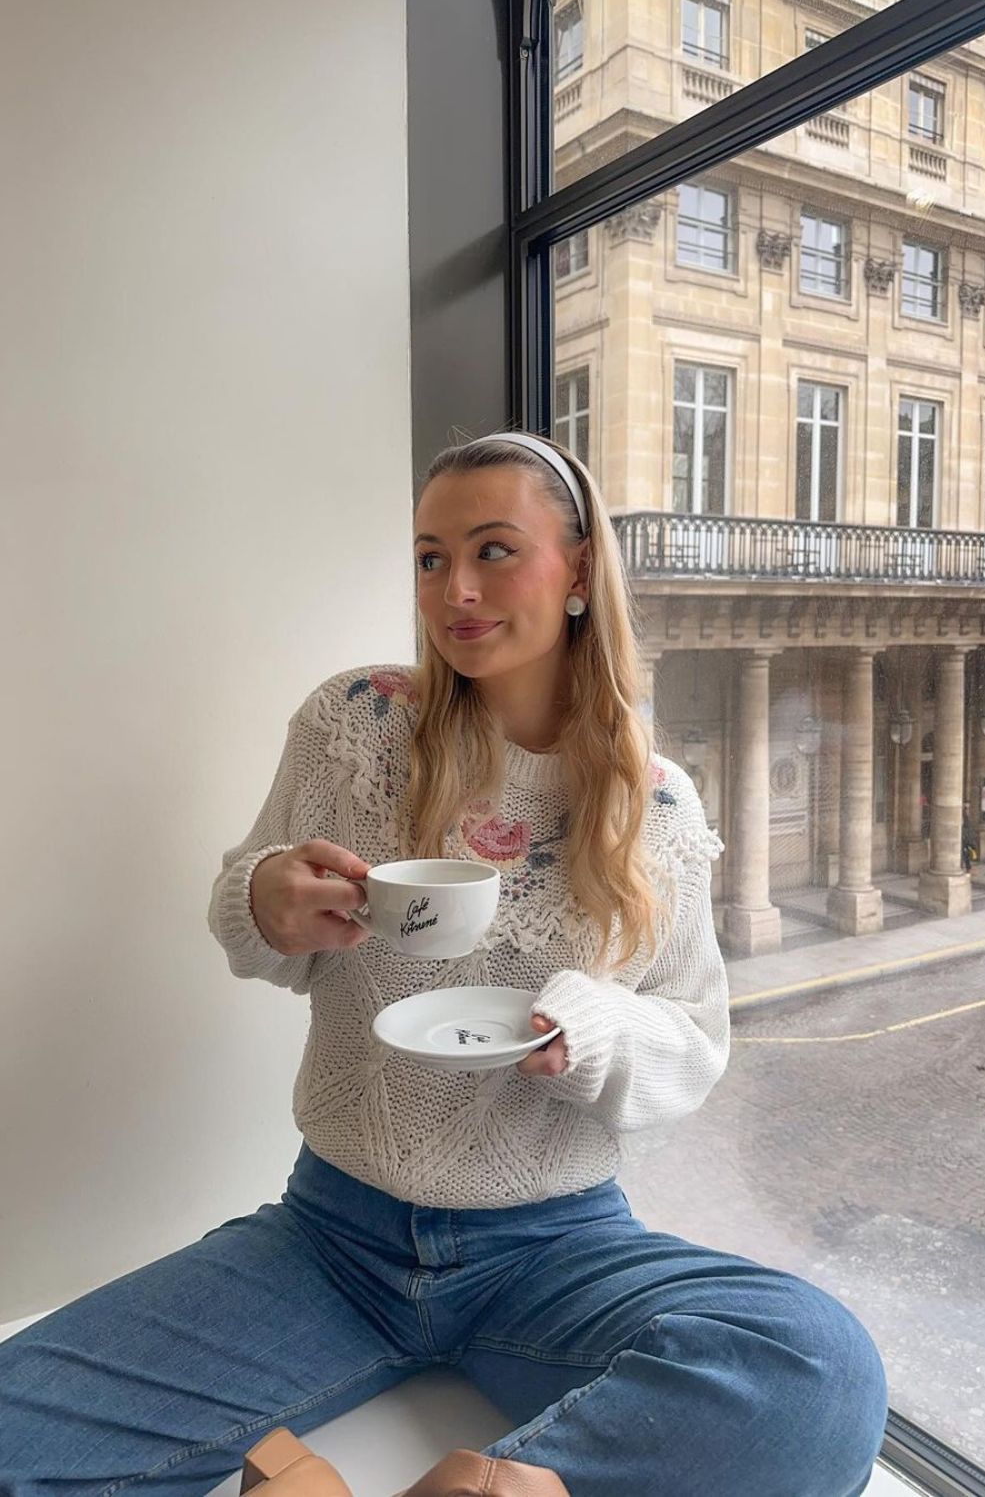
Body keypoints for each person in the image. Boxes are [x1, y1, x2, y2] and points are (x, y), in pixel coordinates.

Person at [0, 432, 888, 1497]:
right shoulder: (355, 725)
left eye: (494, 550)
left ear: (573, 574)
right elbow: (244, 917)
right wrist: (266, 897)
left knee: (817, 1370)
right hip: (329, 1239)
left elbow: (693, 1043)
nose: (454, 589)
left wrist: (592, 1030)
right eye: (429, 557)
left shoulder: (656, 803)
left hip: (558, 1249)